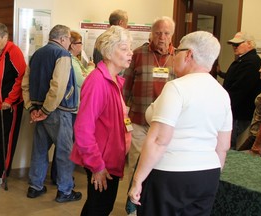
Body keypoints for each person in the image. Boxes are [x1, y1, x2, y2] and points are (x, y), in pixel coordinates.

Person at [128, 31, 232, 216]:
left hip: (170, 174)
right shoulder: (222, 93)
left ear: (189, 54)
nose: (173, 55)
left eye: (176, 51)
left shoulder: (177, 88)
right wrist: (211, 173)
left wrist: (138, 179)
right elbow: (223, 146)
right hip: (208, 173)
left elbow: (159, 140)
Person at [70, 25, 133, 215]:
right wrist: (97, 165)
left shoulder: (115, 80)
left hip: (111, 158)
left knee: (97, 207)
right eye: (124, 48)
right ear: (108, 51)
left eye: (130, 48)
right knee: (99, 208)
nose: (130, 53)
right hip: (102, 161)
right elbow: (83, 128)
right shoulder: (97, 82)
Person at [21, 24, 82, 202]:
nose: (70, 42)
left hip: (39, 110)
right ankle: (65, 191)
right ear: (62, 39)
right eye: (69, 38)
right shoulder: (62, 54)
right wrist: (47, 110)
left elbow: (25, 84)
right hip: (58, 111)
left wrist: (33, 109)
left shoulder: (36, 54)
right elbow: (58, 86)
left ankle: (35, 186)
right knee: (64, 152)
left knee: (39, 150)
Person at [123, 16, 176, 178]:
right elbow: (126, 87)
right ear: (152, 33)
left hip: (165, 123)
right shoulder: (138, 54)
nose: (162, 37)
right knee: (136, 163)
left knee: (161, 165)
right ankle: (133, 200)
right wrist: (123, 114)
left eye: (166, 33)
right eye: (158, 33)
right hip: (138, 122)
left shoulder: (178, 57)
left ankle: (150, 202)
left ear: (172, 35)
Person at [50, 30, 95, 185]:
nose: (81, 46)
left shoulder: (75, 60)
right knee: (65, 145)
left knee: (66, 144)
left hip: (75, 107)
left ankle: (62, 176)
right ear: (72, 45)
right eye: (79, 43)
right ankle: (61, 178)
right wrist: (90, 68)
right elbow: (82, 81)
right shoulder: (70, 59)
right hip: (71, 108)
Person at [0, 23, 26, 189]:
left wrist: (9, 100)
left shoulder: (13, 52)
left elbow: (21, 78)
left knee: (3, 141)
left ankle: (0, 174)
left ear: (5, 37)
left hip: (6, 107)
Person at [217, 32, 261, 149]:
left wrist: (224, 106)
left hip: (239, 112)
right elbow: (236, 78)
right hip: (235, 110)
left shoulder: (251, 62)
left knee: (227, 144)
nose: (234, 47)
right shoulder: (244, 60)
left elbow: (240, 89)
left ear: (249, 44)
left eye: (237, 44)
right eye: (233, 44)